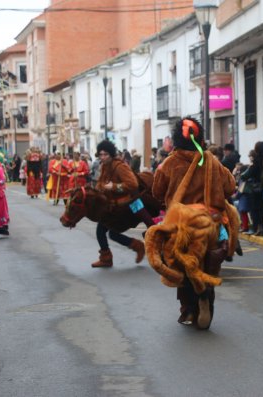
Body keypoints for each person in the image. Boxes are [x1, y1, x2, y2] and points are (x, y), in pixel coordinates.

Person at [150, 117, 237, 329]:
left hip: (182, 224)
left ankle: (189, 307)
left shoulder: (169, 163)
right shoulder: (211, 161)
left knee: (181, 265)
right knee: (208, 267)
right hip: (211, 224)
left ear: (178, 138)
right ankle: (206, 299)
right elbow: (230, 187)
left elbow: (157, 191)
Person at [91, 140, 154, 268]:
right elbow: (101, 183)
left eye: (105, 154)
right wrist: (98, 188)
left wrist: (114, 187)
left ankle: (149, 247)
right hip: (115, 205)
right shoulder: (104, 167)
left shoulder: (120, 166)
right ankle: (106, 258)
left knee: (150, 226)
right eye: (100, 154)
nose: (102, 157)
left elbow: (132, 185)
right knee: (101, 230)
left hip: (131, 203)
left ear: (111, 154)